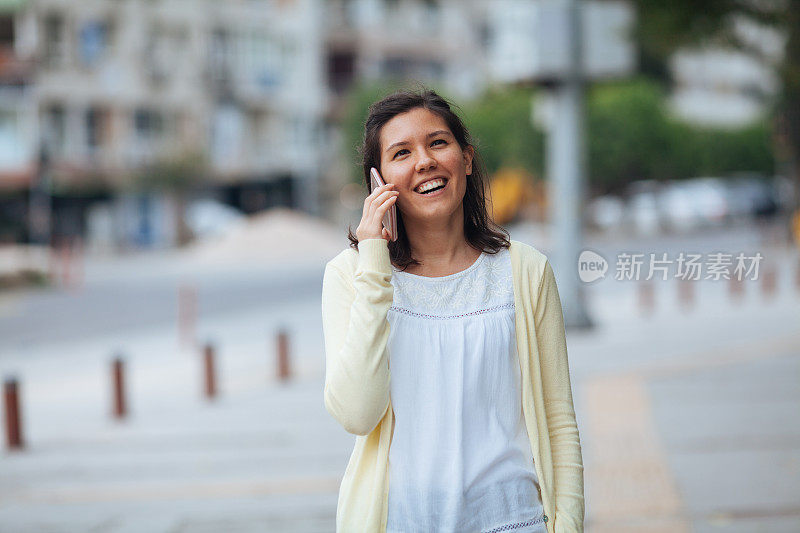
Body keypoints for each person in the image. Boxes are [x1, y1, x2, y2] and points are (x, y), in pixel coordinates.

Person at [321, 89, 584, 533]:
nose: (424, 161)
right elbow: (356, 414)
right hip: (401, 521)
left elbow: (559, 421)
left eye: (437, 143)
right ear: (378, 180)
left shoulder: (525, 270)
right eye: (401, 153)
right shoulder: (352, 276)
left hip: (513, 519)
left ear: (466, 158)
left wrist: (569, 525)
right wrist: (373, 261)